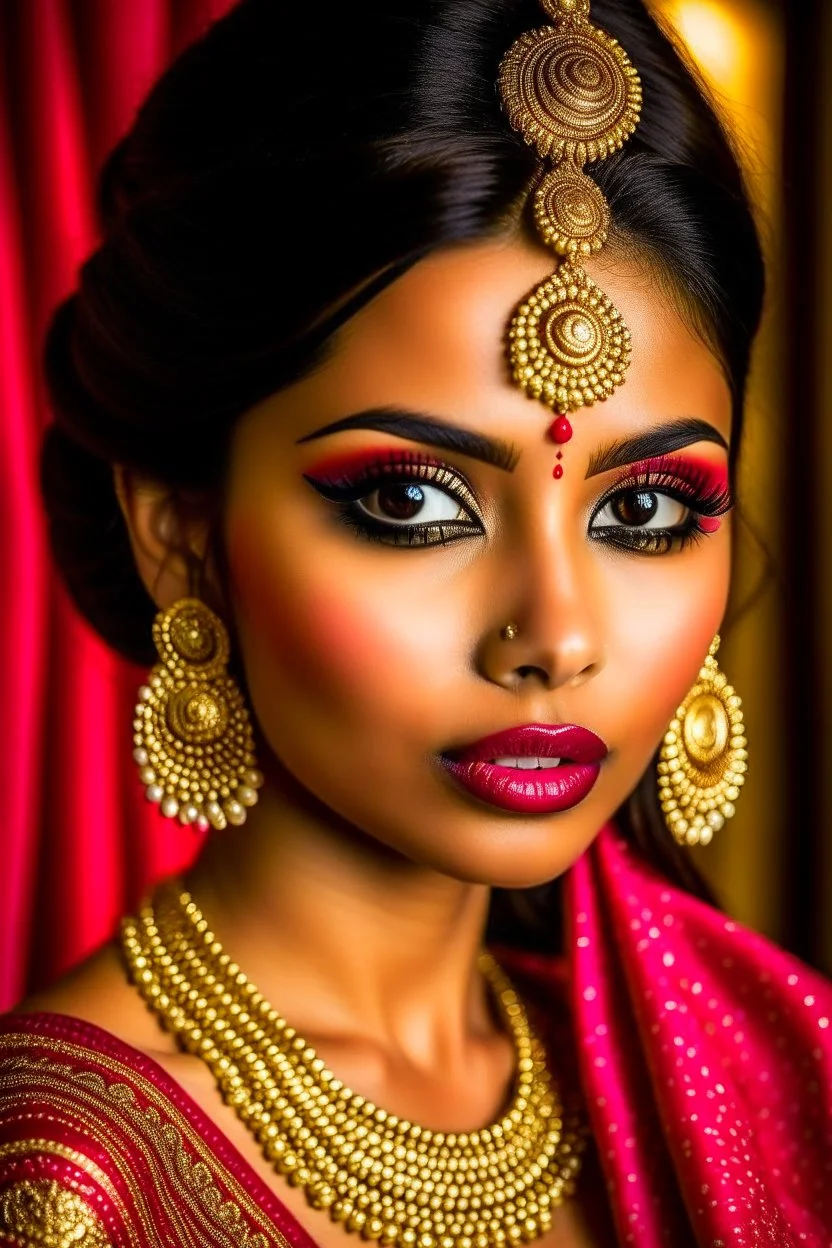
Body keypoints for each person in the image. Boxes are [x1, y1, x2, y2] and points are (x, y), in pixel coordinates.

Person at [1, 0, 830, 1244]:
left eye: (646, 509)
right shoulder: (67, 1189)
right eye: (411, 501)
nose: (554, 633)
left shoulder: (753, 1076)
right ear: (181, 534)